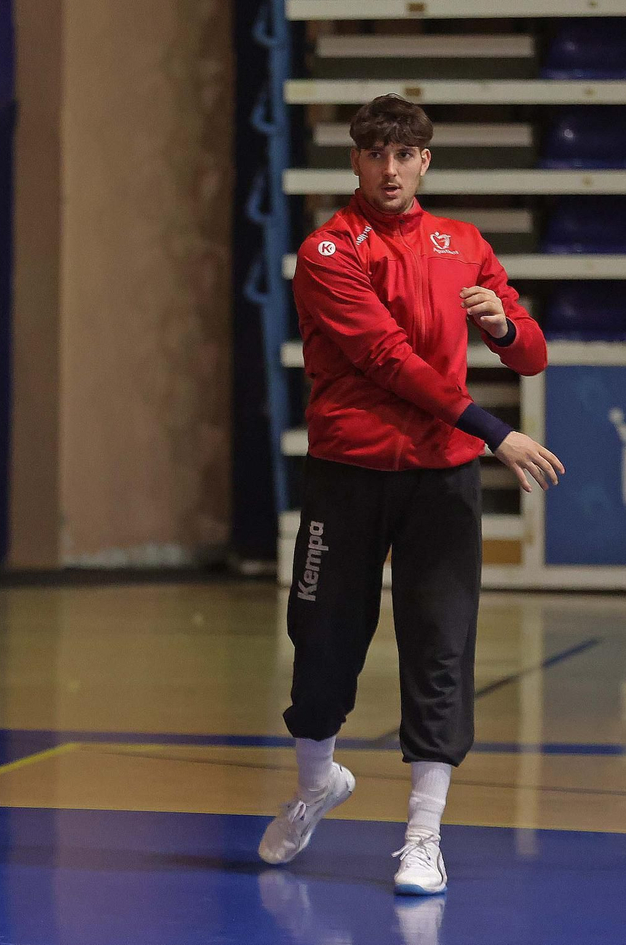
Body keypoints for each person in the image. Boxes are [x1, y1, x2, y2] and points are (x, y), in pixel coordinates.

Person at [258, 94, 563, 894]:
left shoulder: (462, 244)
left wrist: (501, 324)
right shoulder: (328, 250)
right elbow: (390, 360)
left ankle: (423, 835)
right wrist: (497, 430)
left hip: (440, 483)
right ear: (354, 161)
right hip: (349, 475)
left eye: (404, 155)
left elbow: (531, 353)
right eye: (373, 154)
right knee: (322, 643)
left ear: (425, 161)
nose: (388, 170)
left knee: (440, 646)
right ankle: (315, 782)